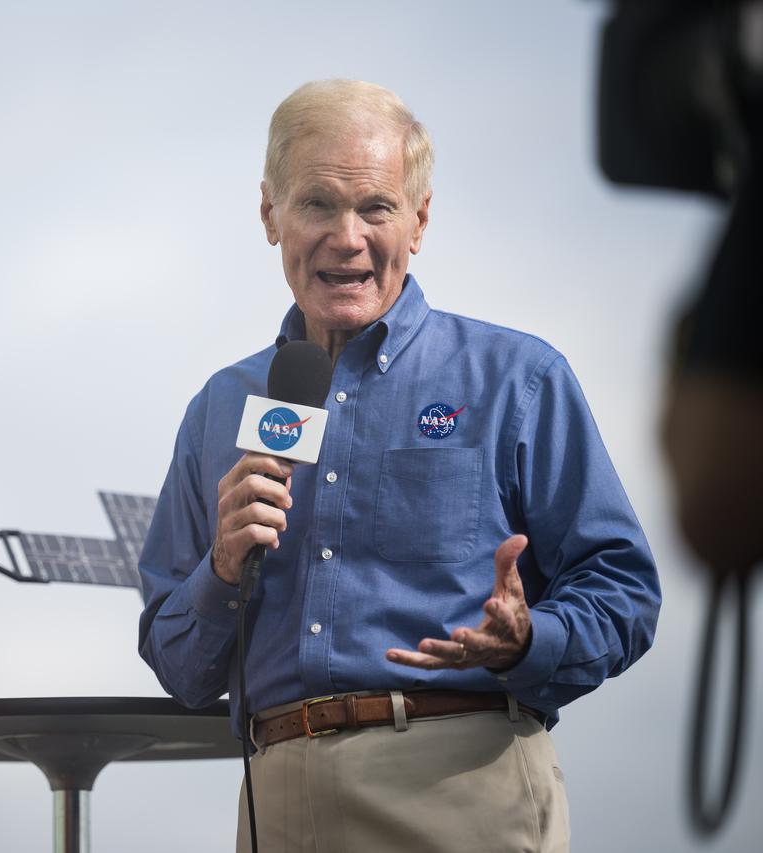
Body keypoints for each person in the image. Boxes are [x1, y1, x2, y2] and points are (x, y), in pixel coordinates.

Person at [138, 79, 661, 852]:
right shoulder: (220, 407)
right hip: (276, 797)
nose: (347, 237)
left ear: (418, 222)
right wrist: (220, 567)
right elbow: (179, 665)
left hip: (461, 786)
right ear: (268, 214)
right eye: (317, 203)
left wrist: (528, 641)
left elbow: (624, 588)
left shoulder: (517, 377)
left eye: (376, 208)